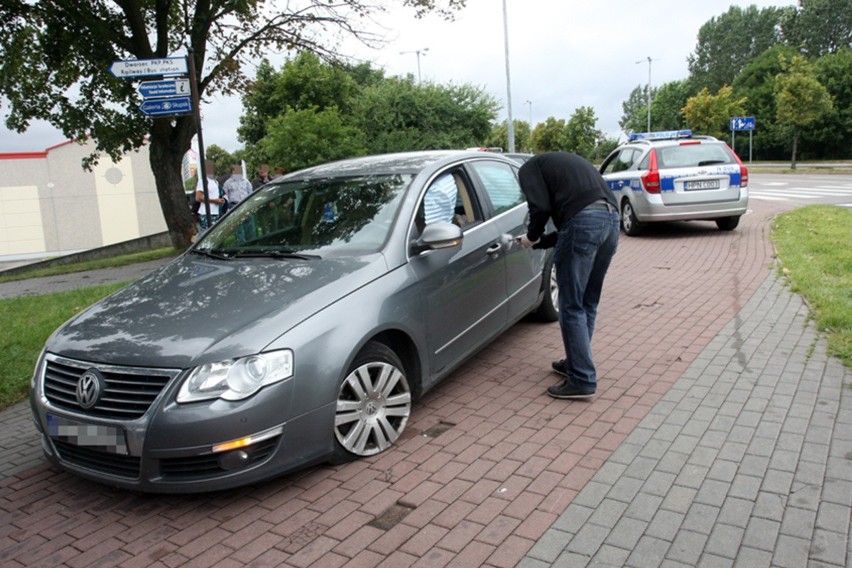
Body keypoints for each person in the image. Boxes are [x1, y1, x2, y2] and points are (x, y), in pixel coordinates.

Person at [518, 152, 620, 400]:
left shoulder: (527, 169)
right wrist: (539, 243)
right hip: (611, 220)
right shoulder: (564, 167)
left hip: (585, 222)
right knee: (587, 302)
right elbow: (568, 230)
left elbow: (540, 208)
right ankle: (576, 363)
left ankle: (582, 378)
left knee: (571, 305)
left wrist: (531, 237)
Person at [195, 161, 226, 230]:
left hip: (216, 213)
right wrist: (214, 201)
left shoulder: (215, 182)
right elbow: (198, 197)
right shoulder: (203, 181)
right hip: (206, 214)